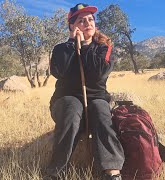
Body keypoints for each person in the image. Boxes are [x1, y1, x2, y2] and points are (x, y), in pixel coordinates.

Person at [46, 3, 124, 180]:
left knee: (101, 110)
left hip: (96, 99)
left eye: (90, 19)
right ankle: (55, 172)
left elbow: (98, 74)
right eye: (81, 20)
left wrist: (86, 47)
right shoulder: (61, 49)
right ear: (72, 27)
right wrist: (73, 44)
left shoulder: (104, 48)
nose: (88, 23)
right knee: (72, 108)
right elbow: (58, 72)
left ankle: (112, 172)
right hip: (65, 100)